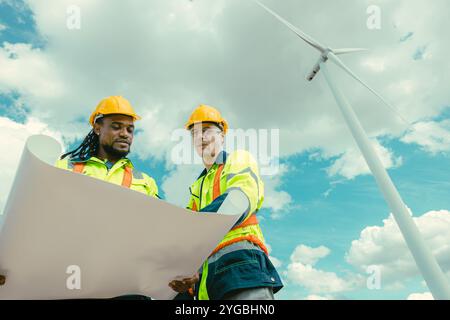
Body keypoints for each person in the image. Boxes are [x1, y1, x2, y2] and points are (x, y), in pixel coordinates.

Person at [0, 96, 159, 300]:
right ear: (97, 128)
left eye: (130, 129)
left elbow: (156, 234)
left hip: (124, 283)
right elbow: (33, 219)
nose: (124, 134)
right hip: (68, 277)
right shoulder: (64, 168)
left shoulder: (146, 182)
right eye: (116, 127)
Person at [169, 105, 283, 300]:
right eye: (195, 133)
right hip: (207, 282)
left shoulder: (238, 159)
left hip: (240, 266)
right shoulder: (197, 186)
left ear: (222, 135)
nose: (200, 137)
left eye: (206, 130)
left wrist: (188, 227)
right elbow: (189, 238)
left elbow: (239, 199)